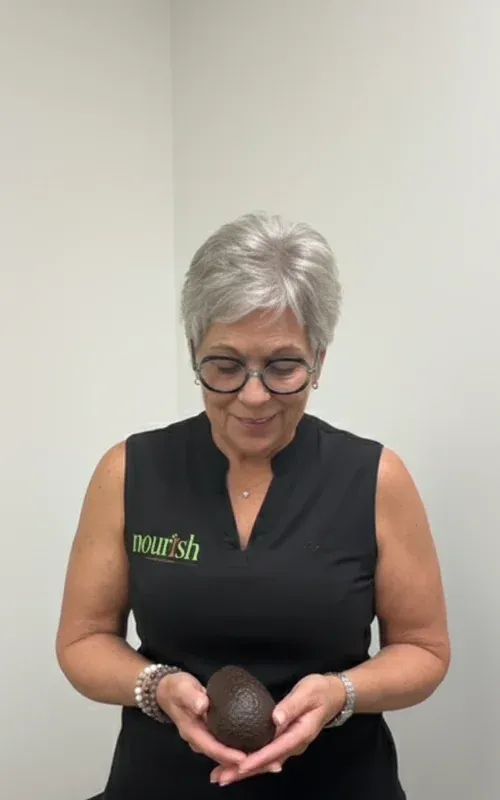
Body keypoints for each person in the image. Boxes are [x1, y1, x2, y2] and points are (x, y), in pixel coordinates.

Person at [56, 212, 450, 799]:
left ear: (318, 360)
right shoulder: (129, 469)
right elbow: (82, 640)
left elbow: (423, 650)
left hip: (338, 784)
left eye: (283, 366)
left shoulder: (375, 477)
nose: (254, 394)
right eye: (226, 365)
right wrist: (157, 686)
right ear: (194, 352)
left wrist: (338, 695)